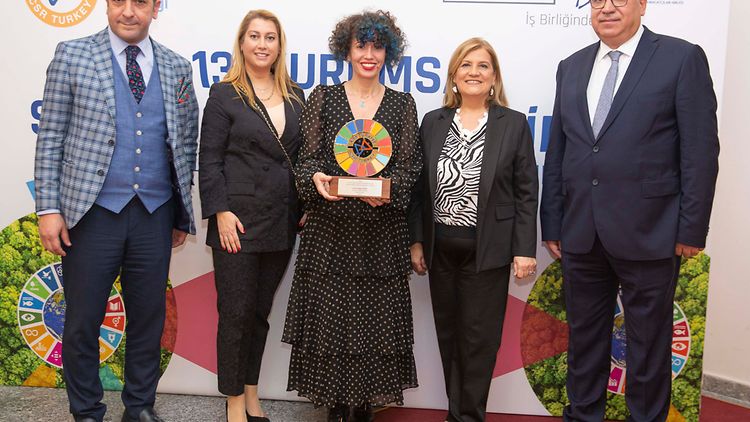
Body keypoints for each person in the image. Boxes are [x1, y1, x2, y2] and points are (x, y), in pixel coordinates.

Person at [540, 0, 719, 420]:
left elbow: (700, 152)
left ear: (642, 4)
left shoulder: (681, 58)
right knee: (584, 341)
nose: (607, 7)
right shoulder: (571, 66)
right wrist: (554, 222)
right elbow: (560, 151)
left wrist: (691, 229)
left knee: (648, 345)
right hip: (581, 232)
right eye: (597, 0)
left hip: (652, 231)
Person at [33, 0, 199, 421]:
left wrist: (180, 210)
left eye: (140, 2)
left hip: (154, 213)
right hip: (91, 214)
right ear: (106, 5)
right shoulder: (72, 55)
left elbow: (185, 142)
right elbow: (50, 137)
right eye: (118, 1)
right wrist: (48, 208)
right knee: (83, 320)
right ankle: (87, 410)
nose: (128, 11)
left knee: (148, 319)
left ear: (156, 8)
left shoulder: (178, 67)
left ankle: (139, 406)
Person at [281, 10, 421, 422]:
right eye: (361, 45)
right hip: (331, 232)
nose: (369, 54)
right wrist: (316, 179)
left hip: (380, 235)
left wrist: (388, 190)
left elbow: (410, 168)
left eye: (377, 46)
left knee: (375, 324)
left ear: (388, 52)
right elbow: (306, 162)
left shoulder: (402, 104)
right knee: (332, 321)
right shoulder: (323, 98)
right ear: (347, 50)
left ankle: (363, 406)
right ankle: (336, 405)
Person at [408, 38, 538, 422]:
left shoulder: (512, 123)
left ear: (494, 77)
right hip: (440, 250)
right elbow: (418, 190)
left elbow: (526, 192)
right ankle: (455, 414)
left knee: (479, 341)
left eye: (483, 66)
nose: (474, 72)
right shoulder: (433, 122)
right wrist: (417, 241)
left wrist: (524, 248)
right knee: (449, 337)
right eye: (466, 65)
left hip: (489, 251)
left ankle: (470, 416)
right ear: (453, 76)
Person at [198, 9, 305, 422]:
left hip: (280, 221)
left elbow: (300, 159)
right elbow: (210, 160)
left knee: (259, 314)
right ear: (242, 43)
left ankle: (252, 394)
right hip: (236, 224)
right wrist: (219, 211)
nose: (262, 44)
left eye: (270, 37)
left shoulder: (295, 95)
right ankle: (233, 402)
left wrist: (304, 208)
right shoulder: (224, 93)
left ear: (279, 46)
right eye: (255, 36)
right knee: (236, 314)